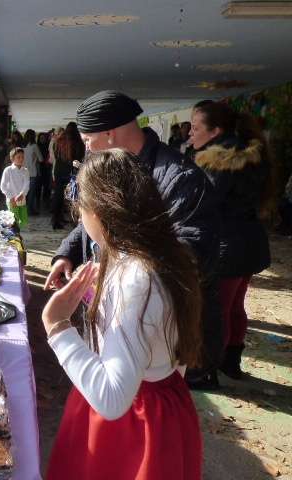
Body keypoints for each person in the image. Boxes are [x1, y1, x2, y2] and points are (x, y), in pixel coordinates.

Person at [45, 90, 221, 390]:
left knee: (136, 396)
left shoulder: (180, 178)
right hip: (119, 316)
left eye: (88, 141)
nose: (86, 150)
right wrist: (67, 253)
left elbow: (193, 253)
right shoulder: (112, 166)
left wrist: (121, 273)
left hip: (156, 334)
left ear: (109, 134)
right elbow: (95, 220)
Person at [43, 149, 202, 480]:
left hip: (130, 429)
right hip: (162, 408)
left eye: (80, 207)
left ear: (97, 212)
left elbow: (112, 399)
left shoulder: (137, 278)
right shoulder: (164, 256)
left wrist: (57, 326)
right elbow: (163, 342)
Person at [190, 102, 271, 379]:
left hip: (227, 244)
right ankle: (230, 362)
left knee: (217, 310)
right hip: (249, 241)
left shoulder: (218, 161)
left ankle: (207, 371)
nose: (190, 133)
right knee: (235, 305)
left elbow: (204, 204)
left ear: (215, 131)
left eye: (196, 128)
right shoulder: (250, 152)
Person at [52, 122, 84, 230]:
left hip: (59, 170)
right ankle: (74, 221)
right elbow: (79, 157)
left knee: (58, 196)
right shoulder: (77, 142)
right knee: (74, 196)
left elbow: (56, 155)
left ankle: (56, 220)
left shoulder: (58, 141)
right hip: (71, 171)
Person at [0, 147, 29, 228]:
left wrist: (22, 194)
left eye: (22, 157)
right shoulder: (8, 170)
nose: (21, 159)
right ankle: (14, 234)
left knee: (23, 222)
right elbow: (3, 186)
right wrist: (11, 197)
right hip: (12, 200)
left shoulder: (25, 171)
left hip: (22, 200)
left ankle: (18, 234)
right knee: (13, 222)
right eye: (18, 157)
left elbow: (27, 184)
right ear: (12, 159)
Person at [23, 129, 43, 215]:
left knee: (24, 192)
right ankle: (30, 210)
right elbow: (41, 159)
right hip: (32, 172)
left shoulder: (23, 146)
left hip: (23, 172)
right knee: (31, 193)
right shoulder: (34, 146)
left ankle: (23, 210)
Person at [37, 131, 52, 208]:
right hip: (39, 168)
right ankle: (38, 202)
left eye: (43, 138)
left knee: (46, 185)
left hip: (47, 168)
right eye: (41, 138)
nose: (42, 139)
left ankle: (46, 201)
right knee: (38, 186)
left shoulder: (48, 146)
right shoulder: (37, 147)